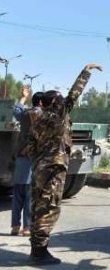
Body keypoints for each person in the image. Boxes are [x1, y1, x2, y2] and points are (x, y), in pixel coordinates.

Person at [25, 63, 101, 265]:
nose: (63, 102)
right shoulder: (58, 116)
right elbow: (73, 95)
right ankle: (39, 253)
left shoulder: (39, 121)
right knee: (49, 208)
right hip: (53, 169)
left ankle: (37, 249)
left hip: (40, 169)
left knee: (38, 206)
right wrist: (86, 72)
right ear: (55, 104)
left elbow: (28, 148)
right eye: (59, 100)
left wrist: (40, 161)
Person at [11, 86, 43, 237]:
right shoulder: (44, 115)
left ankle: (15, 227)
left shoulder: (25, 114)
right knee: (30, 195)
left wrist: (23, 97)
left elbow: (16, 111)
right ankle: (27, 228)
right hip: (33, 159)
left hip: (20, 158)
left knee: (18, 193)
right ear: (42, 103)